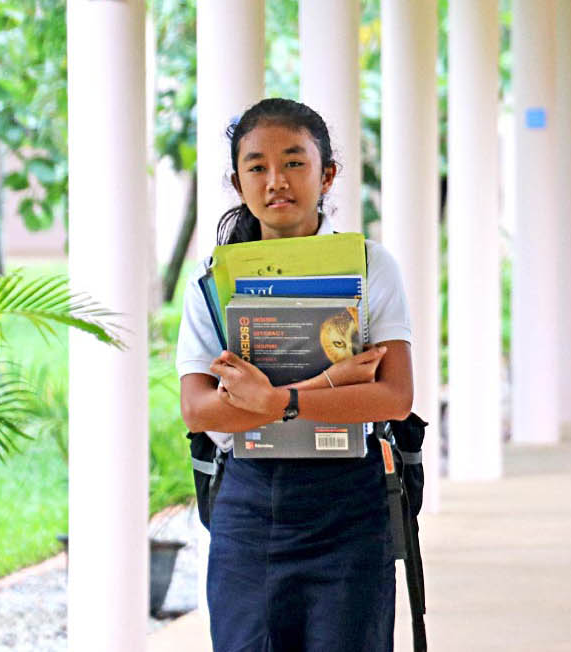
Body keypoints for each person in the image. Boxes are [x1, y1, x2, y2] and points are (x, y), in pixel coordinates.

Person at [176, 98, 414, 652]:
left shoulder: (370, 266)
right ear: (237, 183)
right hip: (248, 505)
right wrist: (325, 385)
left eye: (294, 162)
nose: (275, 180)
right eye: (256, 166)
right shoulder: (212, 283)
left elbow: (395, 396)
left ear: (326, 174)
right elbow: (197, 408)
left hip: (349, 506)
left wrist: (275, 400)